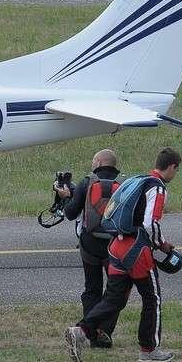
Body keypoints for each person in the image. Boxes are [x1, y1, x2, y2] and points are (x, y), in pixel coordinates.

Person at [64, 147, 181, 362]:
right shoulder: (157, 187)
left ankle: (80, 331)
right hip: (137, 249)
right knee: (152, 298)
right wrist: (162, 245)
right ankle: (149, 349)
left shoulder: (137, 180)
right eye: (176, 170)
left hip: (116, 245)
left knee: (114, 299)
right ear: (172, 167)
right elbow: (150, 223)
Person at [56, 148, 122, 348]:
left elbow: (70, 213)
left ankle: (91, 333)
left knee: (91, 288)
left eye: (94, 161)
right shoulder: (123, 185)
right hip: (114, 245)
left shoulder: (87, 182)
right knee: (113, 292)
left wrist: (66, 196)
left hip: (90, 244)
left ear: (100, 162)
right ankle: (105, 331)